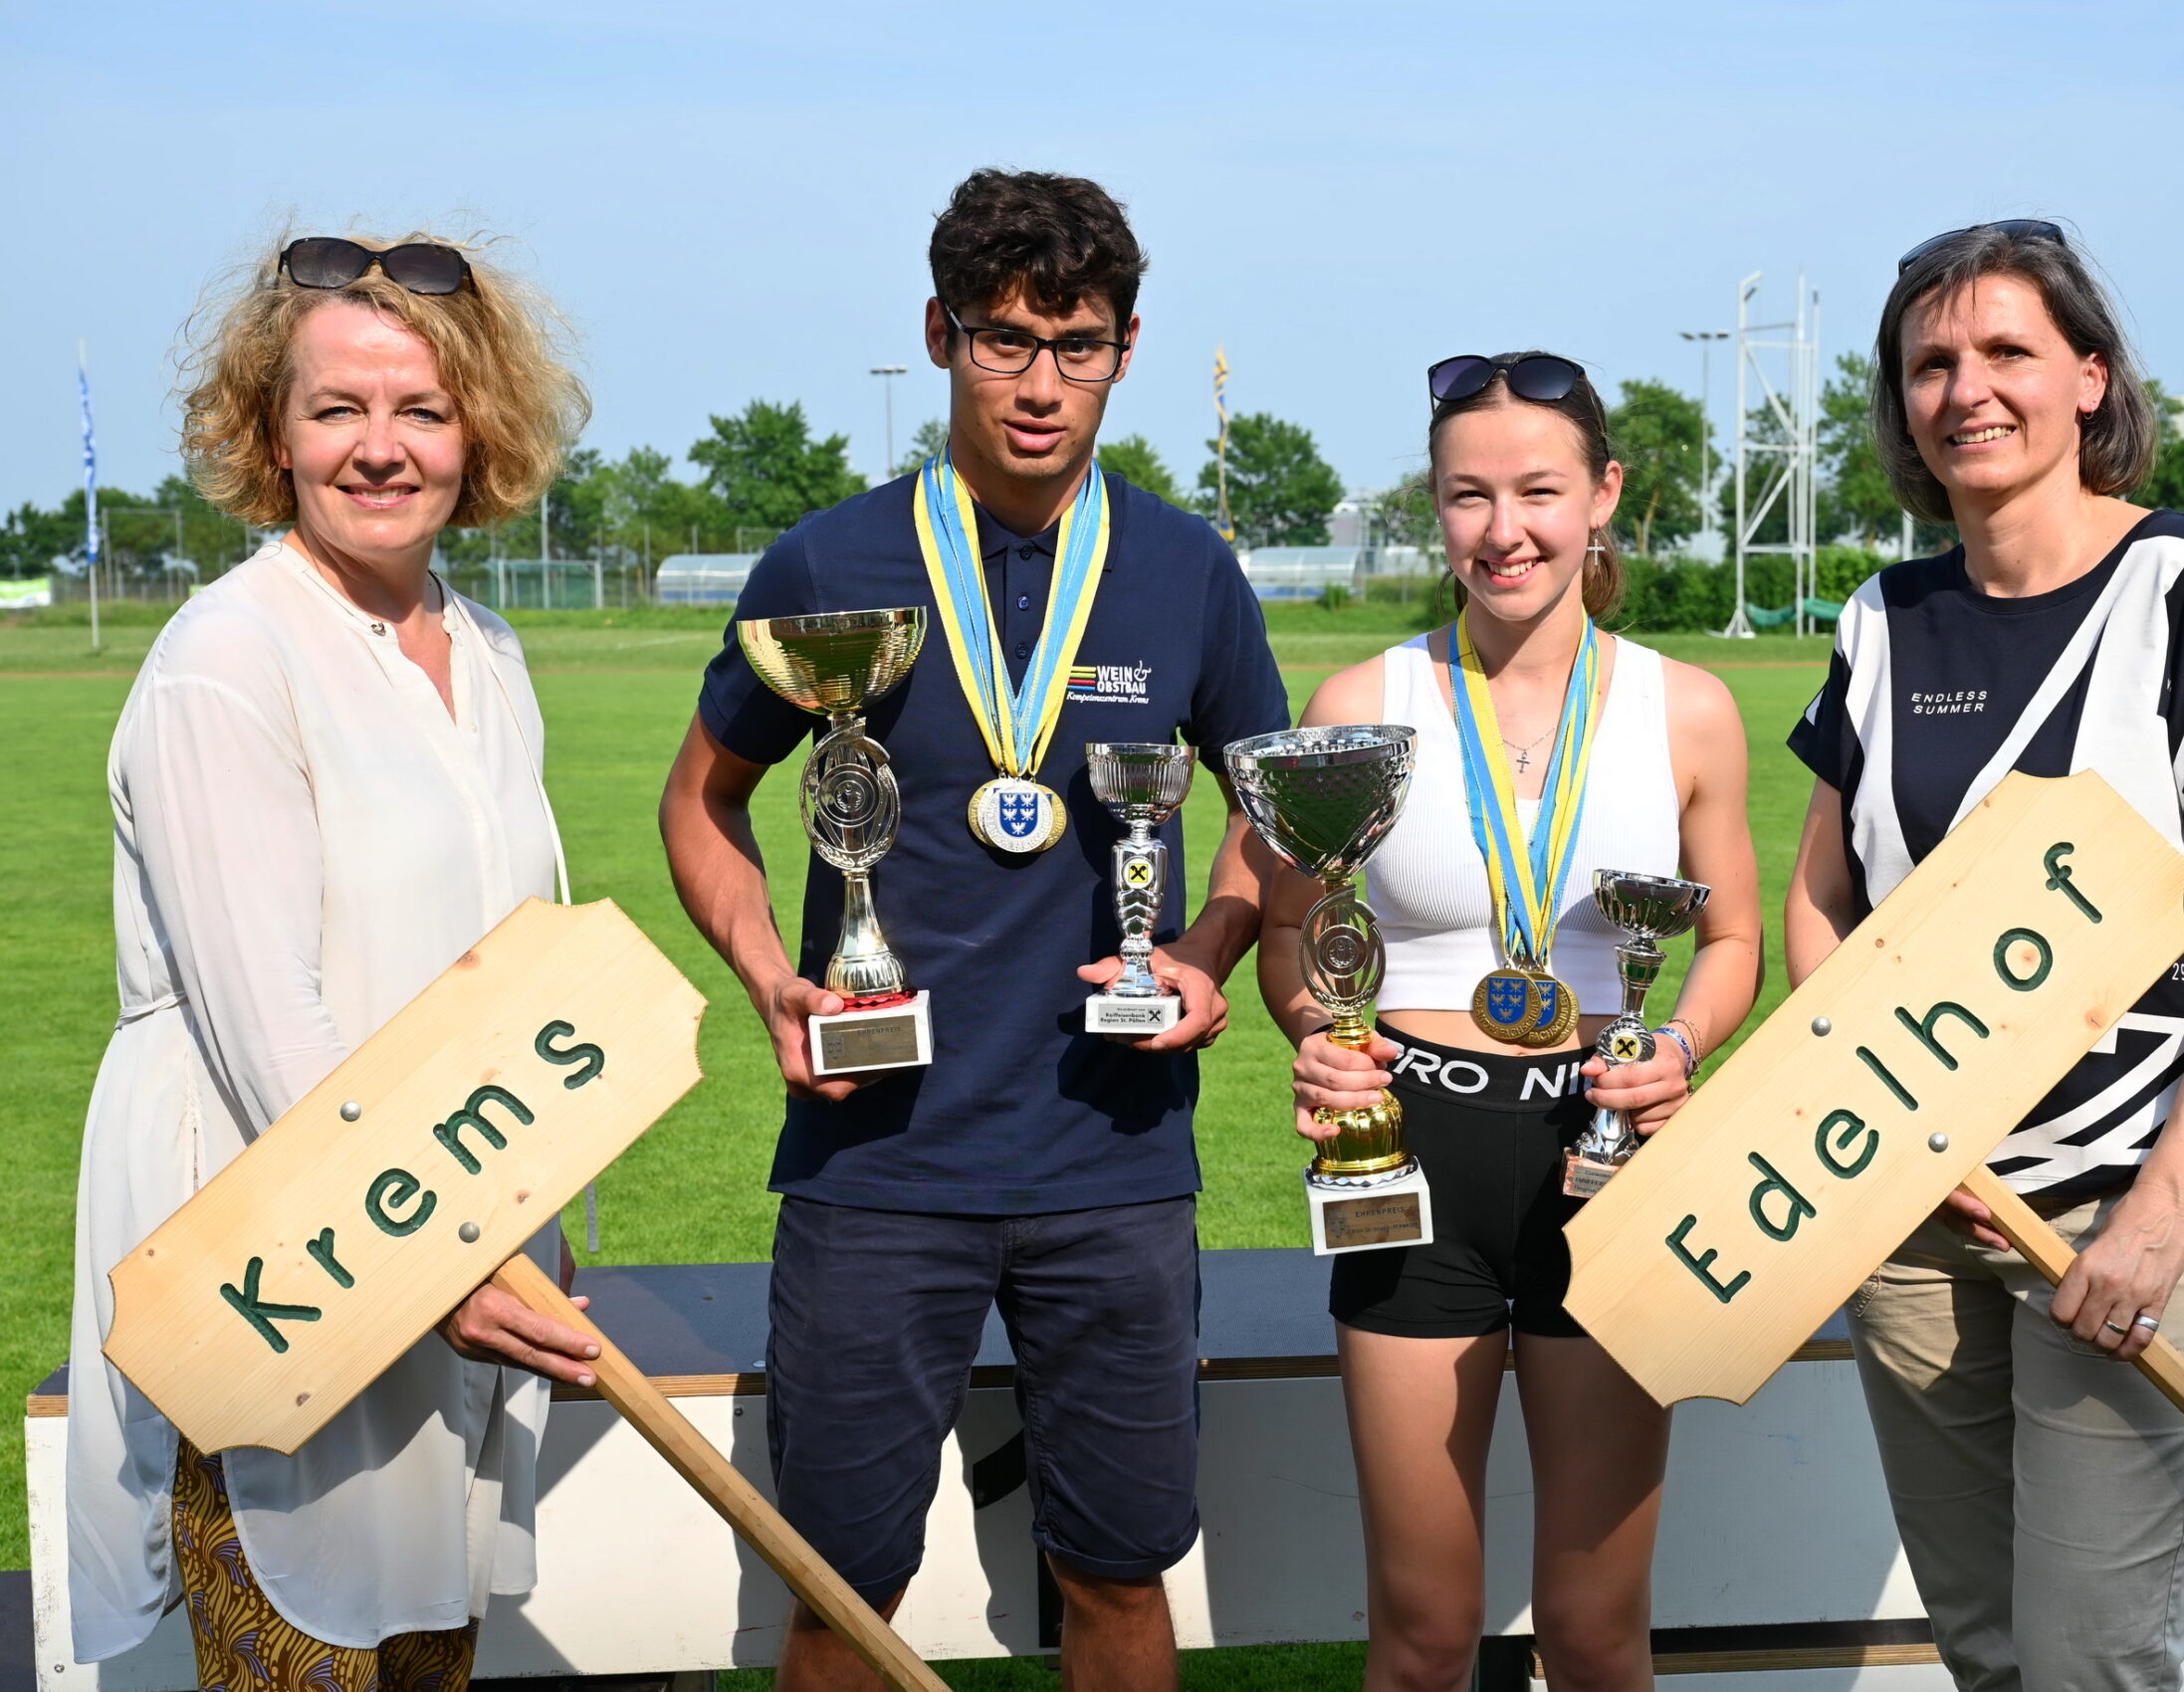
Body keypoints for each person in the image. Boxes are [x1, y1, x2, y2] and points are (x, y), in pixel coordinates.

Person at [660, 168, 1287, 1692]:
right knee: (841, 1591)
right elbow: (702, 801)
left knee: (1119, 1575)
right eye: (1005, 340)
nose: (1039, 385)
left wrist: (1202, 956)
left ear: (1127, 349)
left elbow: (1274, 826)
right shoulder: (831, 566)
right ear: (939, 334)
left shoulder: (1189, 574)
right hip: (880, 1165)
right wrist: (772, 981)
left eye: (1076, 345)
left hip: (1115, 1165)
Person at [1785, 222, 2184, 1692]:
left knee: (2093, 1664)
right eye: (1930, 362)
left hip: (2124, 1209)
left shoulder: (2180, 583)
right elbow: (1821, 901)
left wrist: (2167, 1205)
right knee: (1987, 1654)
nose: (1967, 387)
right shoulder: (1881, 616)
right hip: (1916, 1222)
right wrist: (1879, 1132)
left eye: (2008, 351)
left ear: (2090, 376)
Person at [67, 233, 601, 1683]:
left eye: (421, 411)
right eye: (337, 411)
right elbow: (266, 1025)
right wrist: (435, 1261)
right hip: (284, 1240)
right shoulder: (226, 658)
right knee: (299, 1631)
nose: (381, 449)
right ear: (271, 433)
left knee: (424, 1632)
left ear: (478, 430)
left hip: (442, 1219)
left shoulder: (482, 646)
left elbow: (507, 963)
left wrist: (520, 1214)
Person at [1265, 352, 1762, 1692]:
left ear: (1602, 494)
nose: (1505, 530)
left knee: (1597, 1635)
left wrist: (1680, 1045)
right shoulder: (1360, 706)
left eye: (1539, 491)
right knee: (1423, 1638)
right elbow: (1286, 929)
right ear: (1436, 506)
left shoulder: (1689, 710)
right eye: (1468, 496)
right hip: (1408, 1156)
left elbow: (1730, 940)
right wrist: (1316, 1020)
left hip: (1613, 1157)